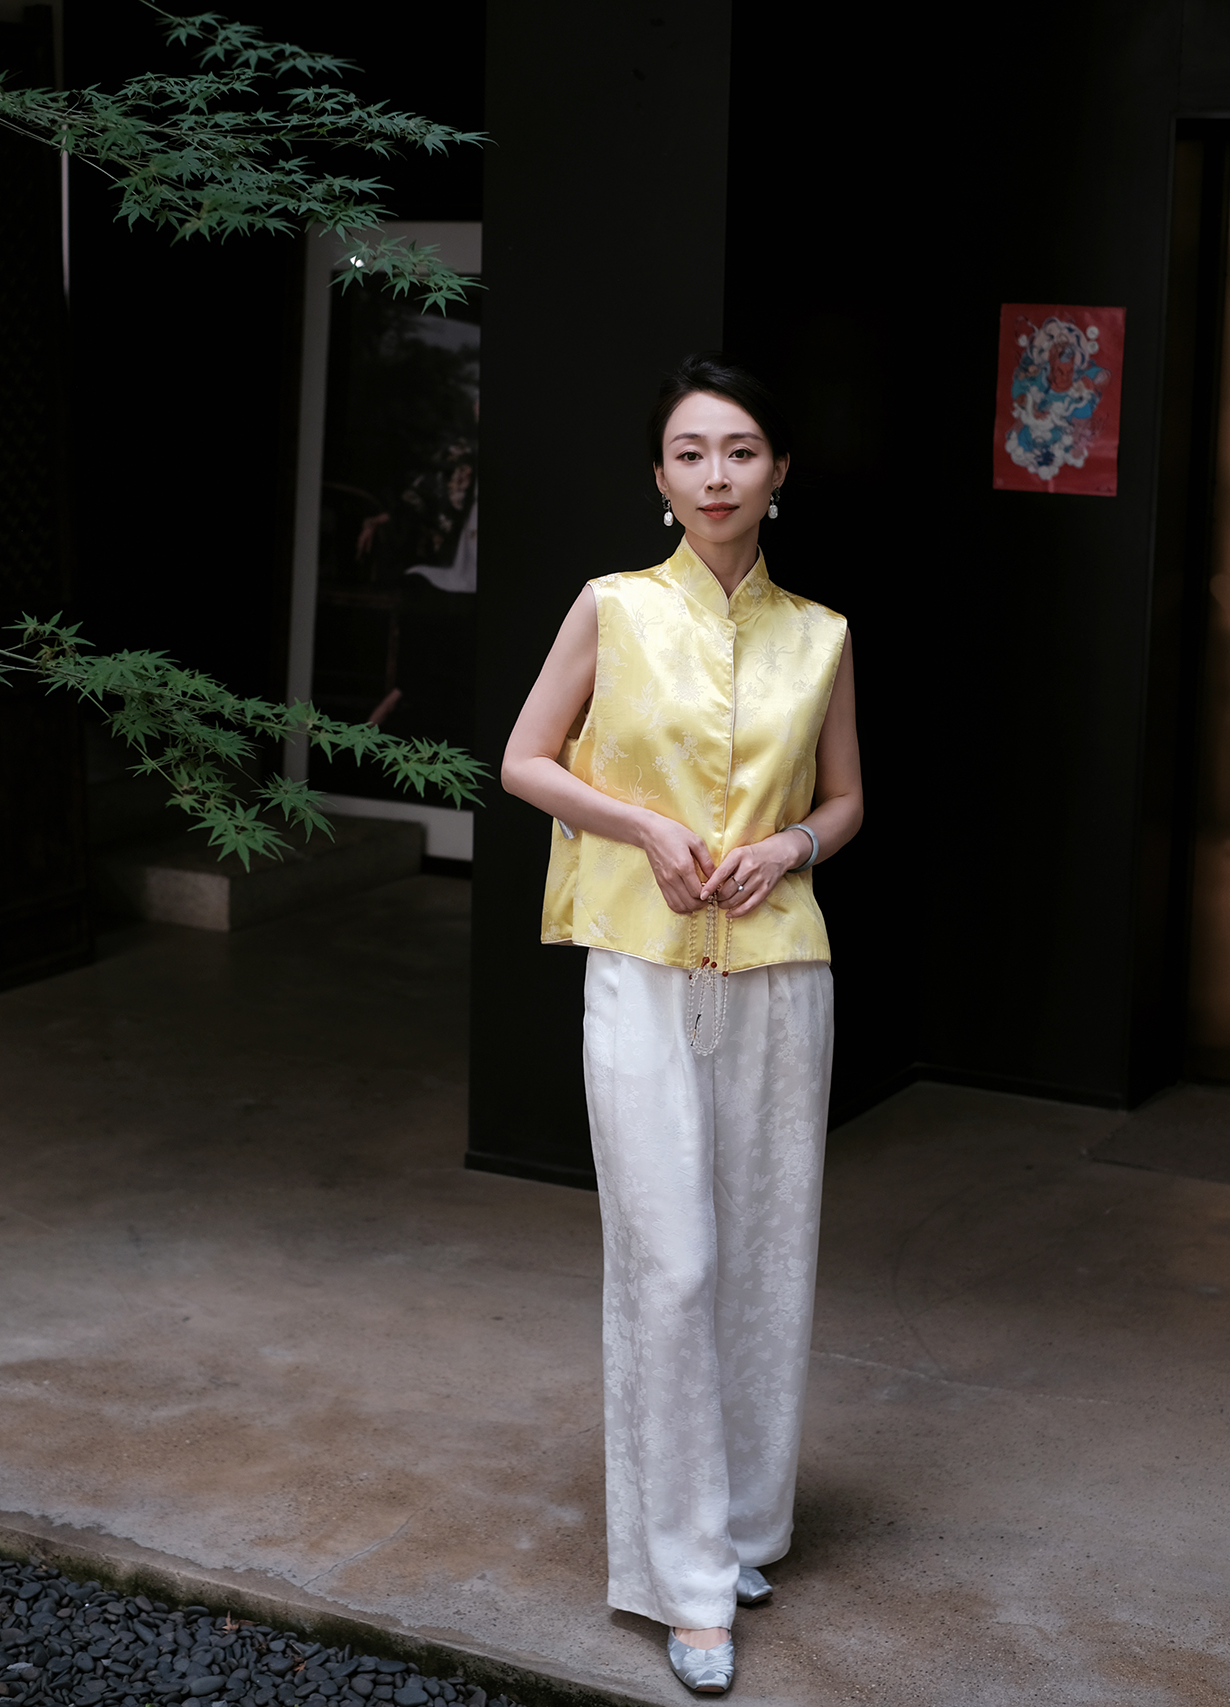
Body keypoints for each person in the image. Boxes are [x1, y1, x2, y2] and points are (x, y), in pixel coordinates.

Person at [501, 352, 863, 1695]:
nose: (717, 476)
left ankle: (744, 1528)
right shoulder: (612, 608)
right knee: (673, 1266)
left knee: (767, 1256)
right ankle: (683, 1582)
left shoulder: (821, 635)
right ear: (659, 478)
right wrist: (643, 826)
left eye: (742, 451)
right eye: (692, 453)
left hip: (779, 972)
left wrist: (790, 847)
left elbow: (846, 801)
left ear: (779, 473)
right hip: (642, 970)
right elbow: (525, 760)